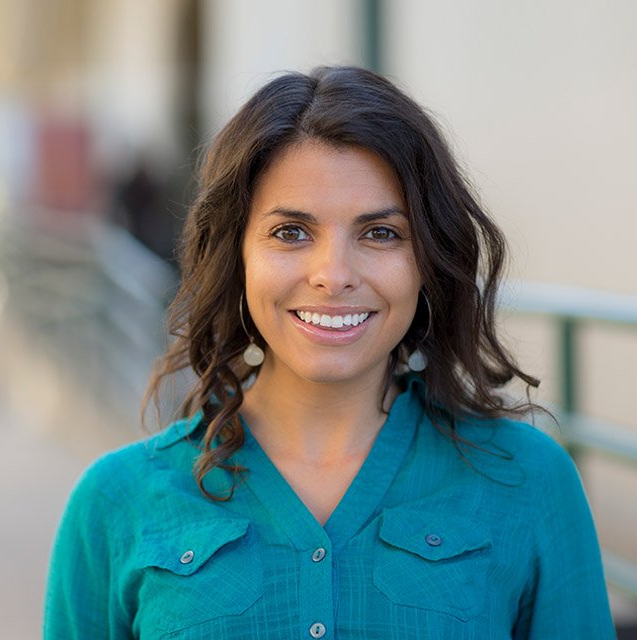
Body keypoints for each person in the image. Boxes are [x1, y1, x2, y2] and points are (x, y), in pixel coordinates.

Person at [44, 66, 615, 639]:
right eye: (291, 232)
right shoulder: (115, 502)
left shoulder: (529, 481)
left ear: (429, 260)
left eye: (381, 233)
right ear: (236, 255)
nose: (333, 276)